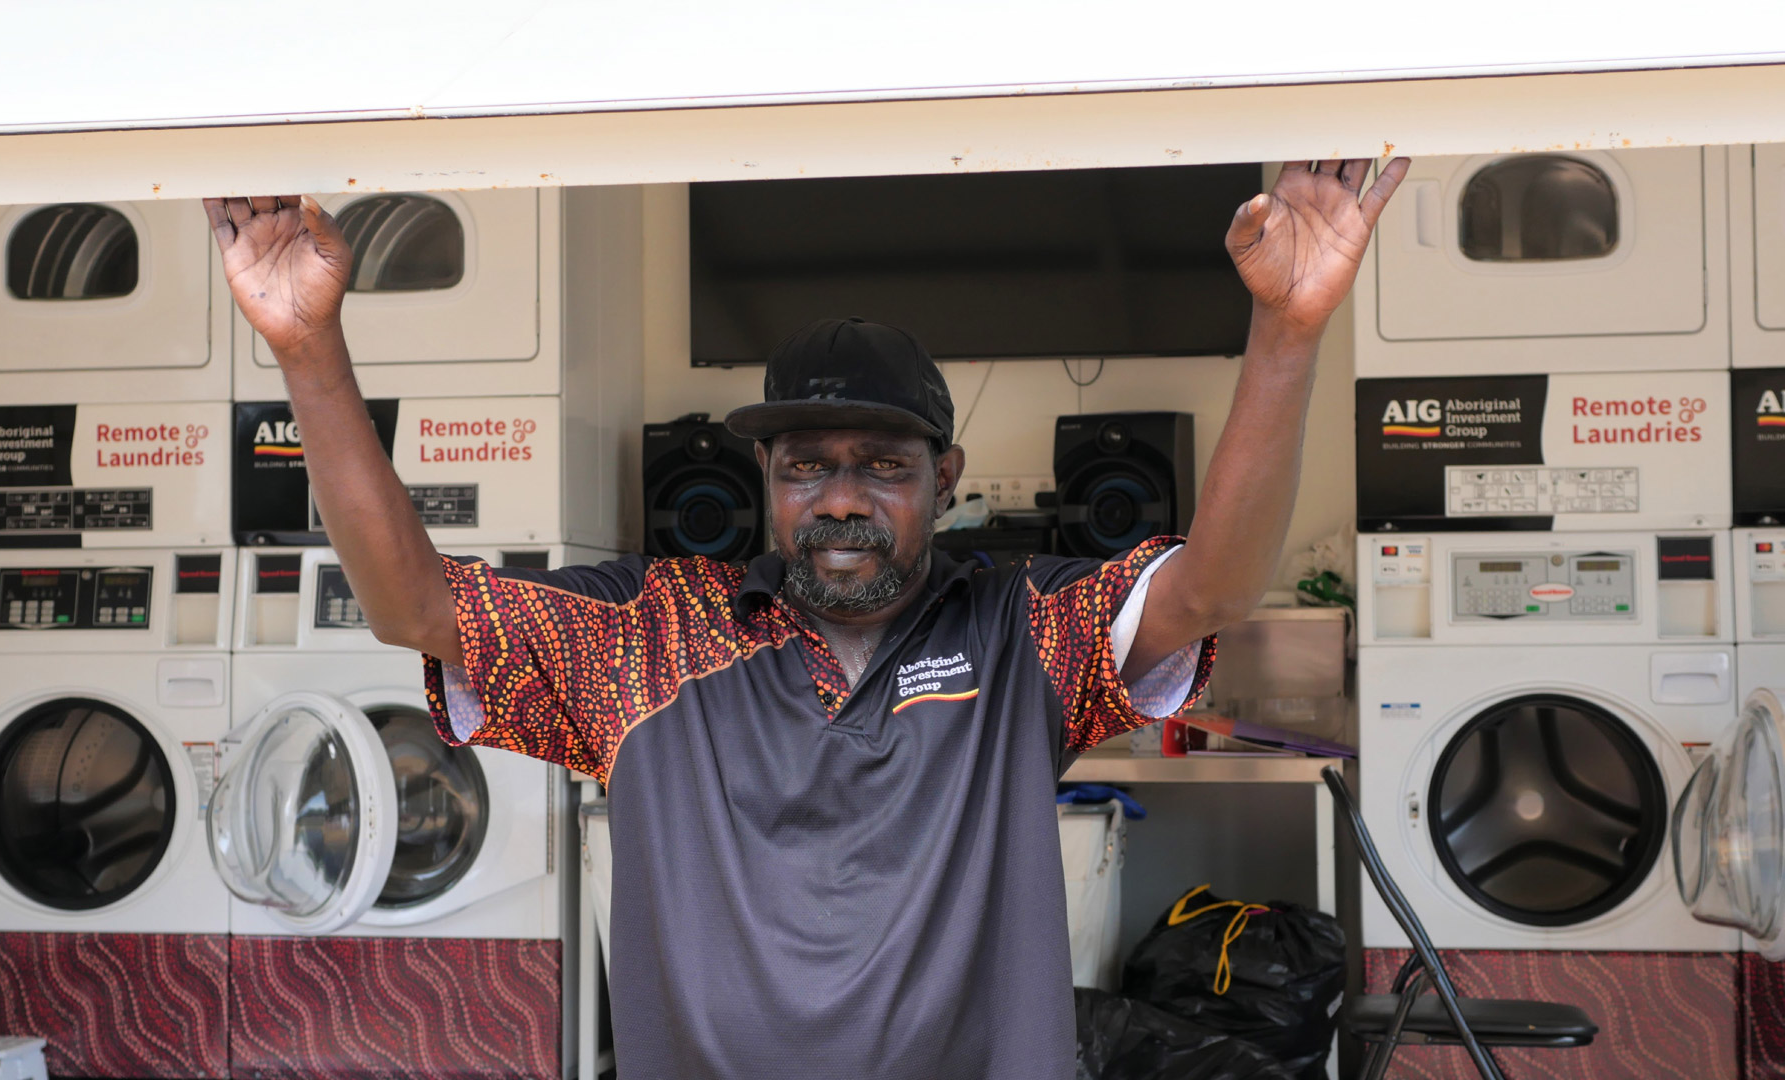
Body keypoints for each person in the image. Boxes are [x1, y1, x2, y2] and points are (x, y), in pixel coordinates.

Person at [202, 156, 1408, 1080]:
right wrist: (308, 349)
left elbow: (1212, 589)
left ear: (946, 479)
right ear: (767, 483)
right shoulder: (647, 631)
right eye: (804, 466)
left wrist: (1289, 331)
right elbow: (415, 606)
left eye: (881, 465)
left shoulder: (1022, 628)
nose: (839, 497)